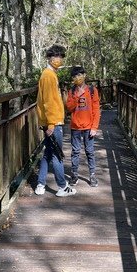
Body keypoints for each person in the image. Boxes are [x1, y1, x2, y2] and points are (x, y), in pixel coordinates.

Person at [34, 44, 77, 197]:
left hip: (49, 121)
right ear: (49, 58)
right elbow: (48, 102)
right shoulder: (48, 75)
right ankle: (62, 186)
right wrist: (51, 123)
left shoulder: (49, 74)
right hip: (53, 123)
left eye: (60, 57)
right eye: (55, 56)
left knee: (48, 152)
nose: (58, 59)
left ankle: (40, 184)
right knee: (57, 154)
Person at [66, 65, 101, 187]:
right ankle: (74, 175)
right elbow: (69, 108)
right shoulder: (72, 91)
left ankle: (92, 175)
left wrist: (94, 127)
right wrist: (77, 96)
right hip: (75, 126)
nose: (77, 78)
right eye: (75, 76)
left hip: (88, 127)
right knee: (75, 151)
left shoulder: (92, 90)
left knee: (90, 151)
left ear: (84, 75)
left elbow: (96, 110)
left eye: (79, 75)